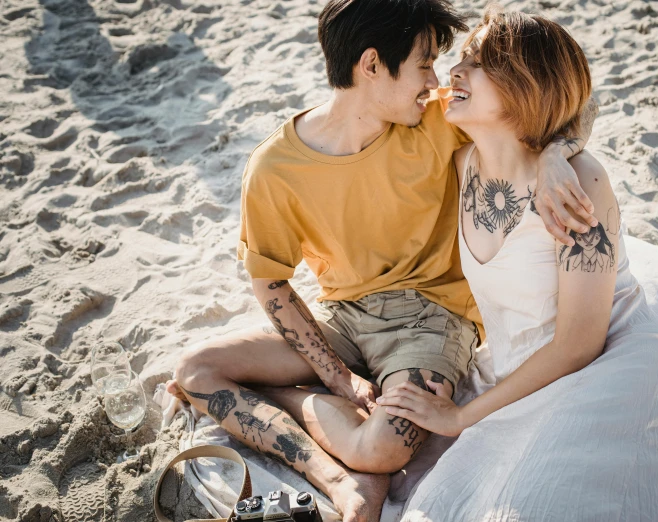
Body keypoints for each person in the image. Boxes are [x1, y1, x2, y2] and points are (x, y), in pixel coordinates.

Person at [165, 1, 599, 521]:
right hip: (343, 317)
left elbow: (563, 104)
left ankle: (284, 398)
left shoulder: (441, 118)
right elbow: (273, 284)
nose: (433, 79)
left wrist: (556, 152)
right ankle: (333, 480)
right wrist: (337, 378)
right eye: (422, 64)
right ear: (371, 65)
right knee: (197, 369)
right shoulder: (273, 168)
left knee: (385, 447)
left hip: (433, 318)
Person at [376, 8, 658, 521]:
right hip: (510, 366)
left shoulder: (580, 183)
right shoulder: (460, 161)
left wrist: (461, 416)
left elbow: (580, 343)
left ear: (525, 85)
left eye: (479, 62)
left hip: (605, 368)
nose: (454, 72)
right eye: (459, 59)